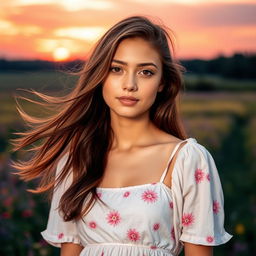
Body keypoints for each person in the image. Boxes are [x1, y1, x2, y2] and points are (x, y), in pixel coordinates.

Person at [13, 16, 232, 256]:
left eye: (146, 72)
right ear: (100, 76)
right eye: (116, 69)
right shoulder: (76, 159)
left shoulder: (187, 159)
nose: (129, 84)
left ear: (162, 82)